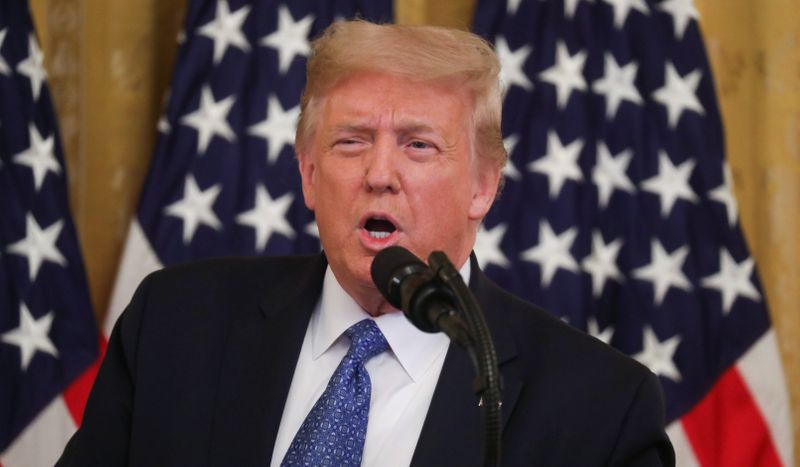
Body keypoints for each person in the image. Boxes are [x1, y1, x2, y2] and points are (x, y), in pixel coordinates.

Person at [57, 20, 674, 466]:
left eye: (419, 144)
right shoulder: (174, 325)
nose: (380, 174)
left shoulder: (601, 408)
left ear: (484, 186)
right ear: (307, 174)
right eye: (351, 141)